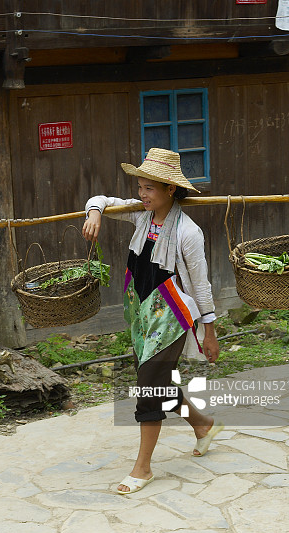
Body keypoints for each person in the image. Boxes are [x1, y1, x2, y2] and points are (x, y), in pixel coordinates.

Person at [81, 147, 224, 495]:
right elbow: (99, 198)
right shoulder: (140, 217)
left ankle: (142, 469)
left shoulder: (188, 233)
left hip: (172, 318)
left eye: (150, 188)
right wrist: (96, 212)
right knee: (158, 382)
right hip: (142, 315)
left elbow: (201, 285)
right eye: (140, 186)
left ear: (170, 190)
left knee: (149, 389)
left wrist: (210, 331)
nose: (142, 194)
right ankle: (203, 425)